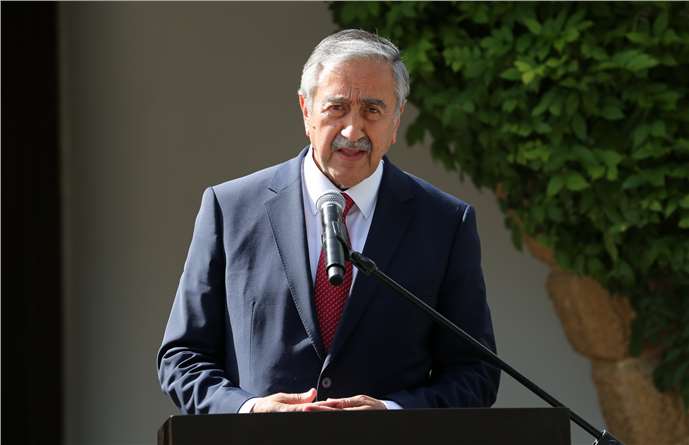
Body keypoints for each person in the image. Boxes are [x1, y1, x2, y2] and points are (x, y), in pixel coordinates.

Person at [157, 29, 499, 414]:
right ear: (306, 110)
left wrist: (392, 413)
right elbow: (182, 358)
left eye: (372, 110)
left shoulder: (445, 222)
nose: (353, 131)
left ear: (397, 119)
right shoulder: (231, 209)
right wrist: (248, 411)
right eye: (337, 108)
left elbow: (476, 372)